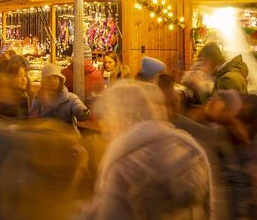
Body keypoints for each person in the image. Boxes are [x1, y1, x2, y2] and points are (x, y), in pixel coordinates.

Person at [80, 81, 212, 220]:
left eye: (107, 123)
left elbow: (110, 214)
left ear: (119, 118)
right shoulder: (188, 146)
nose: (105, 133)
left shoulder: (125, 165)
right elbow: (208, 209)